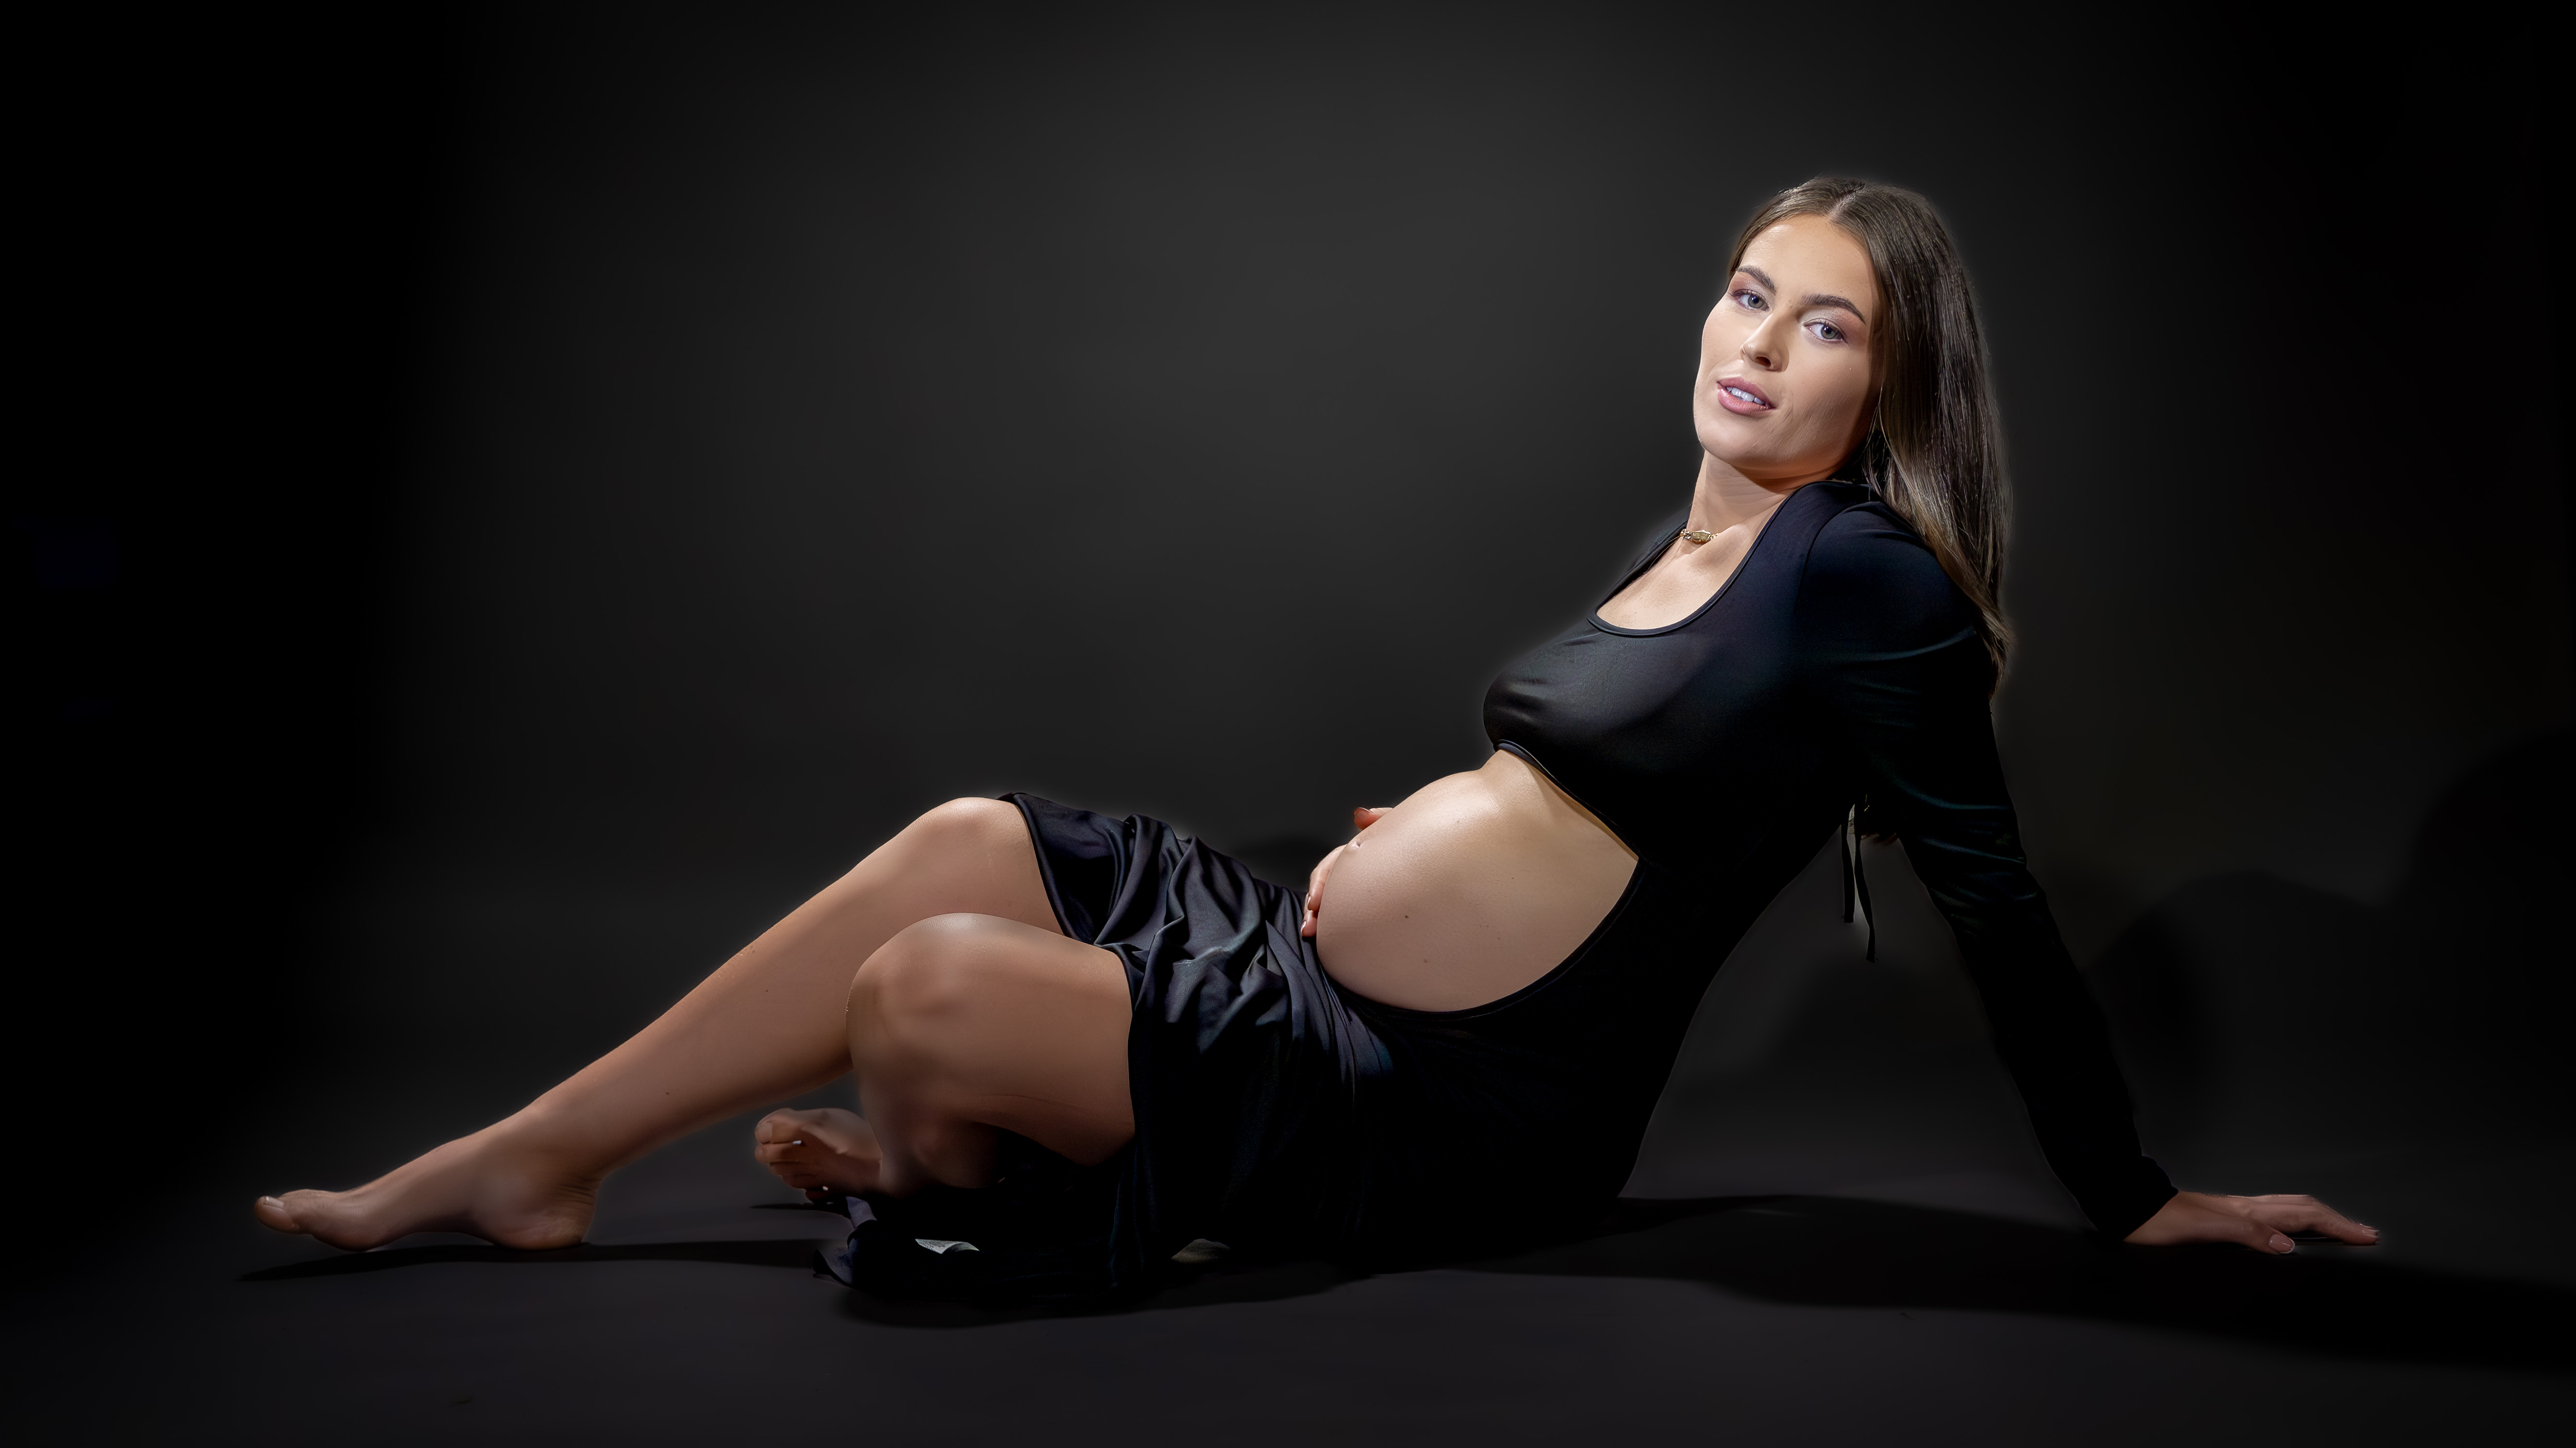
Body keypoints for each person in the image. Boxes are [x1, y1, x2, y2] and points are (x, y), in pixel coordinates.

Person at [257, 177, 2375, 1296]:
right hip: (1315, 978)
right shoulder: (1695, 538)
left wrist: (2130, 1194)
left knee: (921, 993)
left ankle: (972, 1163)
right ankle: (542, 1156)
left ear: (1889, 393)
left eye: (1828, 325)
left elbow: (1991, 897)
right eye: (1750, 291)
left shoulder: (1862, 577)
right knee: (962, 837)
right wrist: (1446, 829)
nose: (1760, 341)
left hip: (1447, 1112)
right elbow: (1625, 794)